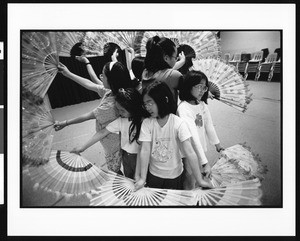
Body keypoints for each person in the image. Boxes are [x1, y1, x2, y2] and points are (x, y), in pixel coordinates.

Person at [54, 61, 137, 174]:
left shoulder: (111, 105)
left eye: (103, 75)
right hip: (113, 139)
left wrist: (65, 123)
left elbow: (88, 116)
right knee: (119, 168)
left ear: (111, 80)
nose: (101, 76)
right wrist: (68, 73)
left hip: (112, 145)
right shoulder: (112, 91)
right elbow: (90, 83)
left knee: (114, 171)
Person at [134, 81, 213, 191]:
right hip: (154, 174)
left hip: (174, 176)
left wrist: (199, 180)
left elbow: (190, 152)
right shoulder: (147, 123)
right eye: (145, 104)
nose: (147, 107)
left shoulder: (178, 123)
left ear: (163, 99)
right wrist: (142, 177)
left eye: (150, 103)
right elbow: (144, 150)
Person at [71, 87, 149, 179]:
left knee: (141, 179)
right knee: (129, 180)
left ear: (132, 107)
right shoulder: (121, 121)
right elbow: (102, 132)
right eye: (118, 110)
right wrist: (83, 147)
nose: (119, 113)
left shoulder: (145, 121)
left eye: (122, 110)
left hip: (140, 157)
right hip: (126, 157)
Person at [177, 70, 224, 189]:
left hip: (200, 148)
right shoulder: (183, 108)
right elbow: (193, 136)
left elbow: (209, 126)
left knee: (201, 178)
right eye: (199, 87)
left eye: (204, 88)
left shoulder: (202, 104)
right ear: (189, 86)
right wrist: (205, 162)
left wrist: (218, 146)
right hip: (189, 153)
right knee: (190, 179)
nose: (202, 91)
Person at [141, 35, 184, 103]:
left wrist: (181, 61)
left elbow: (165, 72)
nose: (176, 60)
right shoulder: (173, 75)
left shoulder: (145, 73)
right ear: (166, 58)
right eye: (175, 57)